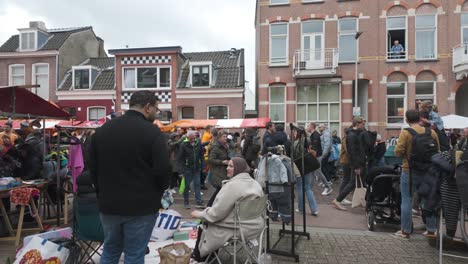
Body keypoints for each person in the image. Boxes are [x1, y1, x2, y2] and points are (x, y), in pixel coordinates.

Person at [89, 90, 170, 264]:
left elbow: (93, 169)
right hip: (141, 206)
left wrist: (101, 193)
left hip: (109, 204)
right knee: (134, 255)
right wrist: (157, 194)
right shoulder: (152, 133)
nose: (156, 113)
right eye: (156, 109)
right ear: (148, 107)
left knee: (110, 251)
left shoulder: (102, 131)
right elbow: (163, 170)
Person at [190, 157, 264, 261]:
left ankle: (199, 257)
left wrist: (201, 214)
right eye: (227, 165)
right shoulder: (255, 183)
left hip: (239, 229)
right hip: (256, 227)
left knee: (205, 224)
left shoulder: (232, 186)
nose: (227, 168)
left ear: (239, 168)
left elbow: (216, 214)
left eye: (231, 166)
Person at [393, 110, 440, 239]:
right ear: (419, 118)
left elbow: (398, 152)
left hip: (409, 170)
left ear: (407, 120)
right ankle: (431, 230)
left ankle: (406, 231)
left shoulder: (406, 133)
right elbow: (438, 151)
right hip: (428, 171)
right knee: (427, 199)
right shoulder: (431, 132)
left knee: (406, 200)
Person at [332, 117, 367, 210]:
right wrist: (356, 166)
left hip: (355, 162)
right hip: (352, 163)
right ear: (358, 124)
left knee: (356, 182)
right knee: (350, 182)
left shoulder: (355, 134)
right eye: (363, 124)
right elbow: (352, 152)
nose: (364, 126)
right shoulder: (351, 136)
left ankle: (362, 201)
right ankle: (338, 199)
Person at [293, 129, 319, 216]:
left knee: (300, 188)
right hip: (307, 166)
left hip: (298, 167)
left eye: (296, 132)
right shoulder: (308, 141)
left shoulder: (295, 143)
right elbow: (314, 153)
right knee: (308, 187)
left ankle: (301, 208)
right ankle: (314, 209)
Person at [177, 130, 205, 209]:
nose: (192, 140)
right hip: (187, 169)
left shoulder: (198, 143)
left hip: (196, 168)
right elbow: (180, 159)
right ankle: (186, 203)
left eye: (193, 138)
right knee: (186, 186)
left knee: (197, 185)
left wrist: (203, 165)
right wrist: (181, 171)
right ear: (187, 138)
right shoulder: (183, 145)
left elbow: (201, 155)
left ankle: (199, 202)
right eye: (190, 138)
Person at [307, 122, 333, 196]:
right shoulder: (313, 135)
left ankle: (328, 187)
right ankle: (310, 188)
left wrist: (308, 150)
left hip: (317, 157)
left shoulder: (315, 135)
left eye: (308, 126)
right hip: (316, 156)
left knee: (318, 172)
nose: (307, 127)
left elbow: (314, 150)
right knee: (312, 172)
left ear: (311, 126)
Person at [207, 130, 230, 205]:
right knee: (220, 189)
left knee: (221, 189)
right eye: (224, 137)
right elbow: (210, 159)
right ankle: (210, 205)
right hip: (217, 171)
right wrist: (222, 162)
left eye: (226, 136)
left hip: (223, 171)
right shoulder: (216, 147)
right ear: (219, 137)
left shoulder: (224, 146)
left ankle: (213, 206)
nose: (225, 138)